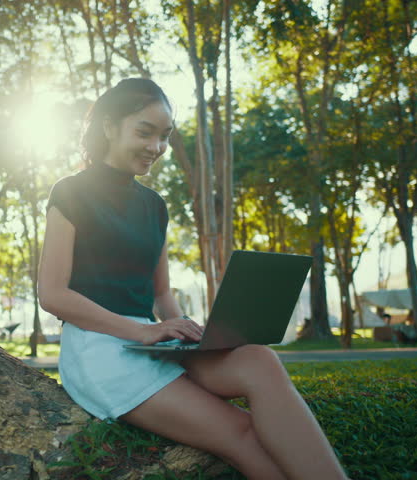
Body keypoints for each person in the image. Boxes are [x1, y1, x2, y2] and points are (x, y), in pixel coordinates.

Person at [37, 78, 349, 480]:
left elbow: (162, 292)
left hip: (152, 343)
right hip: (101, 353)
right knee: (241, 432)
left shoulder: (154, 206)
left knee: (260, 359)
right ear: (109, 126)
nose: (156, 148)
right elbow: (53, 294)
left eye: (164, 137)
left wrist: (192, 334)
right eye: (144, 132)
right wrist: (141, 332)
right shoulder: (70, 193)